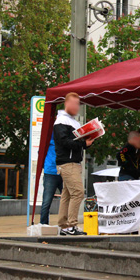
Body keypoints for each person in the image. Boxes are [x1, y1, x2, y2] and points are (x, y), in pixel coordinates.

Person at [54, 92, 94, 236]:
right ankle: (71, 225)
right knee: (78, 192)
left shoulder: (72, 121)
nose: (77, 107)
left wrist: (87, 142)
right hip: (68, 163)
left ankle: (64, 226)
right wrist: (83, 143)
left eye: (78, 104)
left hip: (72, 162)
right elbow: (64, 142)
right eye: (75, 104)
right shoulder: (61, 121)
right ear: (67, 103)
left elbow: (73, 143)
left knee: (67, 194)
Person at [40, 135, 63, 225]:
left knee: (47, 201)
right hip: (52, 171)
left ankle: (44, 224)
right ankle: (44, 224)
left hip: (55, 171)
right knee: (47, 201)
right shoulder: (50, 136)